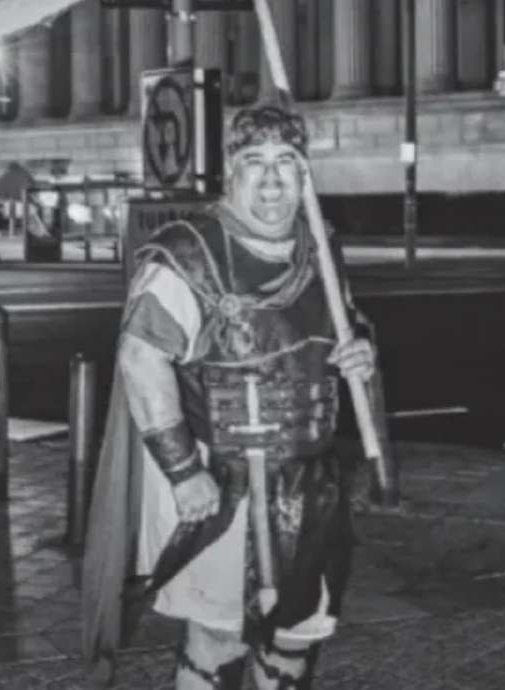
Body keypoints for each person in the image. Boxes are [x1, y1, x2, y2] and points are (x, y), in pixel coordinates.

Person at [82, 96, 379, 690]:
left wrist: (360, 346)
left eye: (287, 162)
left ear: (304, 174)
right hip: (228, 486)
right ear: (232, 173)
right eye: (255, 161)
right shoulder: (189, 252)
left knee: (297, 634)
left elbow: (344, 320)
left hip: (309, 483)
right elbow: (141, 357)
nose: (272, 179)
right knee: (217, 637)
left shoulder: (319, 247)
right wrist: (183, 470)